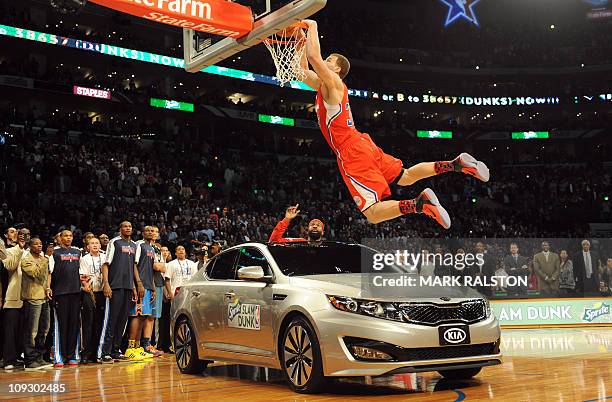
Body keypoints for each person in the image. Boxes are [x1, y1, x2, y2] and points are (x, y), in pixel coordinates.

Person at [299, 20, 489, 229]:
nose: (324, 62)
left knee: (372, 213)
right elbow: (299, 71)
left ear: (337, 68)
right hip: (362, 144)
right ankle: (455, 164)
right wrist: (297, 40)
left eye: (329, 60)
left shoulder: (334, 84)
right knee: (405, 176)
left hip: (351, 151)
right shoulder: (324, 86)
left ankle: (419, 205)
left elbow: (313, 57)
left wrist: (312, 26)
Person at [98, 221, 137, 364]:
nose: (128, 228)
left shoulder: (134, 245)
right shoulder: (114, 243)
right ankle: (104, 352)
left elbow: (133, 266)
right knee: (111, 319)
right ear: (120, 229)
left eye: (130, 227)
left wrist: (135, 285)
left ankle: (116, 350)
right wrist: (106, 284)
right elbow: (106, 264)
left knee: (122, 320)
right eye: (125, 226)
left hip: (127, 286)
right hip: (114, 286)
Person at [49, 230, 82, 368]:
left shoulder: (77, 252)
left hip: (75, 293)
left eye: (70, 236)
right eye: (66, 236)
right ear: (60, 238)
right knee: (60, 325)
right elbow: (50, 272)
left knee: (74, 325)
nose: (68, 238)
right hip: (60, 293)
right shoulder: (55, 253)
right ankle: (58, 356)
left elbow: (81, 271)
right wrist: (48, 287)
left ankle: (72, 355)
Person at [125, 226, 157, 361]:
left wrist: (153, 287)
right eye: (148, 231)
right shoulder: (139, 245)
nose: (150, 233)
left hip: (149, 285)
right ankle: (130, 348)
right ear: (143, 233)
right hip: (141, 285)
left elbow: (151, 269)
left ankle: (138, 347)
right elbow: (133, 264)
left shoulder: (152, 248)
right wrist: (138, 284)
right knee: (137, 316)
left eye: (152, 231)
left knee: (144, 317)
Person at [20, 237, 53, 370]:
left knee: (44, 330)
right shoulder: (26, 260)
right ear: (30, 246)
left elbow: (45, 278)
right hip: (32, 298)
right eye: (36, 244)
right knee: (31, 331)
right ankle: (29, 361)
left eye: (40, 243)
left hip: (44, 298)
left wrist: (48, 288)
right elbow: (36, 273)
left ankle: (39, 358)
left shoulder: (43, 259)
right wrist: (46, 259)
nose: (39, 246)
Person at [2, 228, 28, 370]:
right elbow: (10, 266)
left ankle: (19, 356)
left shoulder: (30, 252)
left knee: (22, 330)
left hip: (28, 297)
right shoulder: (8, 251)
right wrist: (19, 248)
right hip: (13, 296)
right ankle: (8, 360)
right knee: (10, 331)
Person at [79, 237, 106, 364]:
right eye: (92, 243)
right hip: (89, 293)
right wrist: (86, 286)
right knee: (88, 324)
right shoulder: (84, 259)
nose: (95, 245)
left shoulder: (105, 257)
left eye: (97, 243)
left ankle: (96, 353)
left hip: (102, 293)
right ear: (87, 247)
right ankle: (86, 353)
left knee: (99, 324)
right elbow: (82, 276)